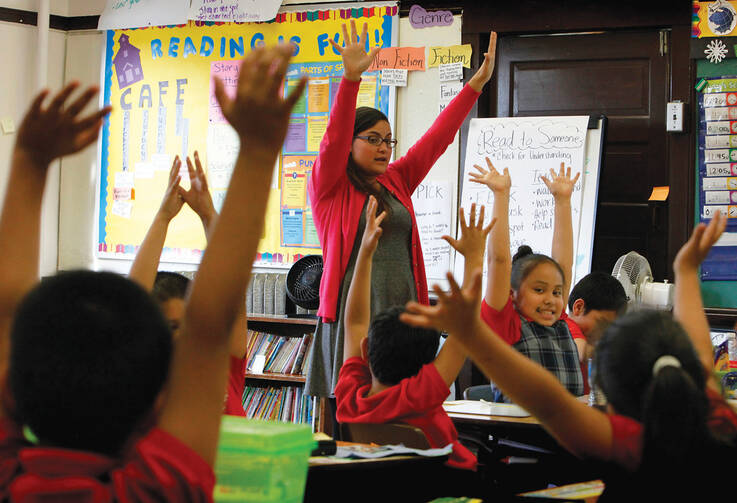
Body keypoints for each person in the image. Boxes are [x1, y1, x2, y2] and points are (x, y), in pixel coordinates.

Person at [0, 44, 306, 500]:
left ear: (12, 390)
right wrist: (260, 153)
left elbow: (7, 307)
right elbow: (209, 324)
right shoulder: (155, 489)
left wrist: (27, 163)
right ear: (157, 401)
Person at [400, 212, 737, 500]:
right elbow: (701, 358)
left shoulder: (624, 443)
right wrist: (688, 270)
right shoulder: (721, 421)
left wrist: (471, 335)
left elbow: (548, 402)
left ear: (609, 388)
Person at [305, 20, 498, 397]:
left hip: (402, 306)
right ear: (350, 143)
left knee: (408, 402)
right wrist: (349, 79)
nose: (384, 148)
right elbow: (333, 138)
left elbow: (436, 140)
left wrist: (475, 85)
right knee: (354, 406)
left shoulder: (396, 179)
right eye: (373, 139)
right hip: (354, 309)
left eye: (388, 140)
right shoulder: (329, 185)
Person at [335, 198, 493, 471]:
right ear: (429, 365)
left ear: (365, 350)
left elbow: (355, 322)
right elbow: (466, 326)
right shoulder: (421, 395)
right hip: (456, 489)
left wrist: (365, 251)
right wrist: (475, 257)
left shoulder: (351, 398)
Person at [128, 153, 247, 416]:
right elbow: (132, 302)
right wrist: (162, 218)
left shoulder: (221, 366)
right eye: (170, 328)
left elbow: (231, 283)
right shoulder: (142, 381)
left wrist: (208, 215)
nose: (182, 338)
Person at [471, 159, 583, 401]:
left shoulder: (558, 321)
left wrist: (562, 201)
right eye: (539, 290)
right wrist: (501, 195)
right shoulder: (507, 323)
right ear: (512, 293)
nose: (551, 300)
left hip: (564, 429)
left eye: (556, 292)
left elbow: (564, 264)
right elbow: (498, 261)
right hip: (521, 434)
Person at [563, 271, 628, 392]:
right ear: (578, 308)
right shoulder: (567, 325)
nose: (605, 332)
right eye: (602, 324)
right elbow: (582, 353)